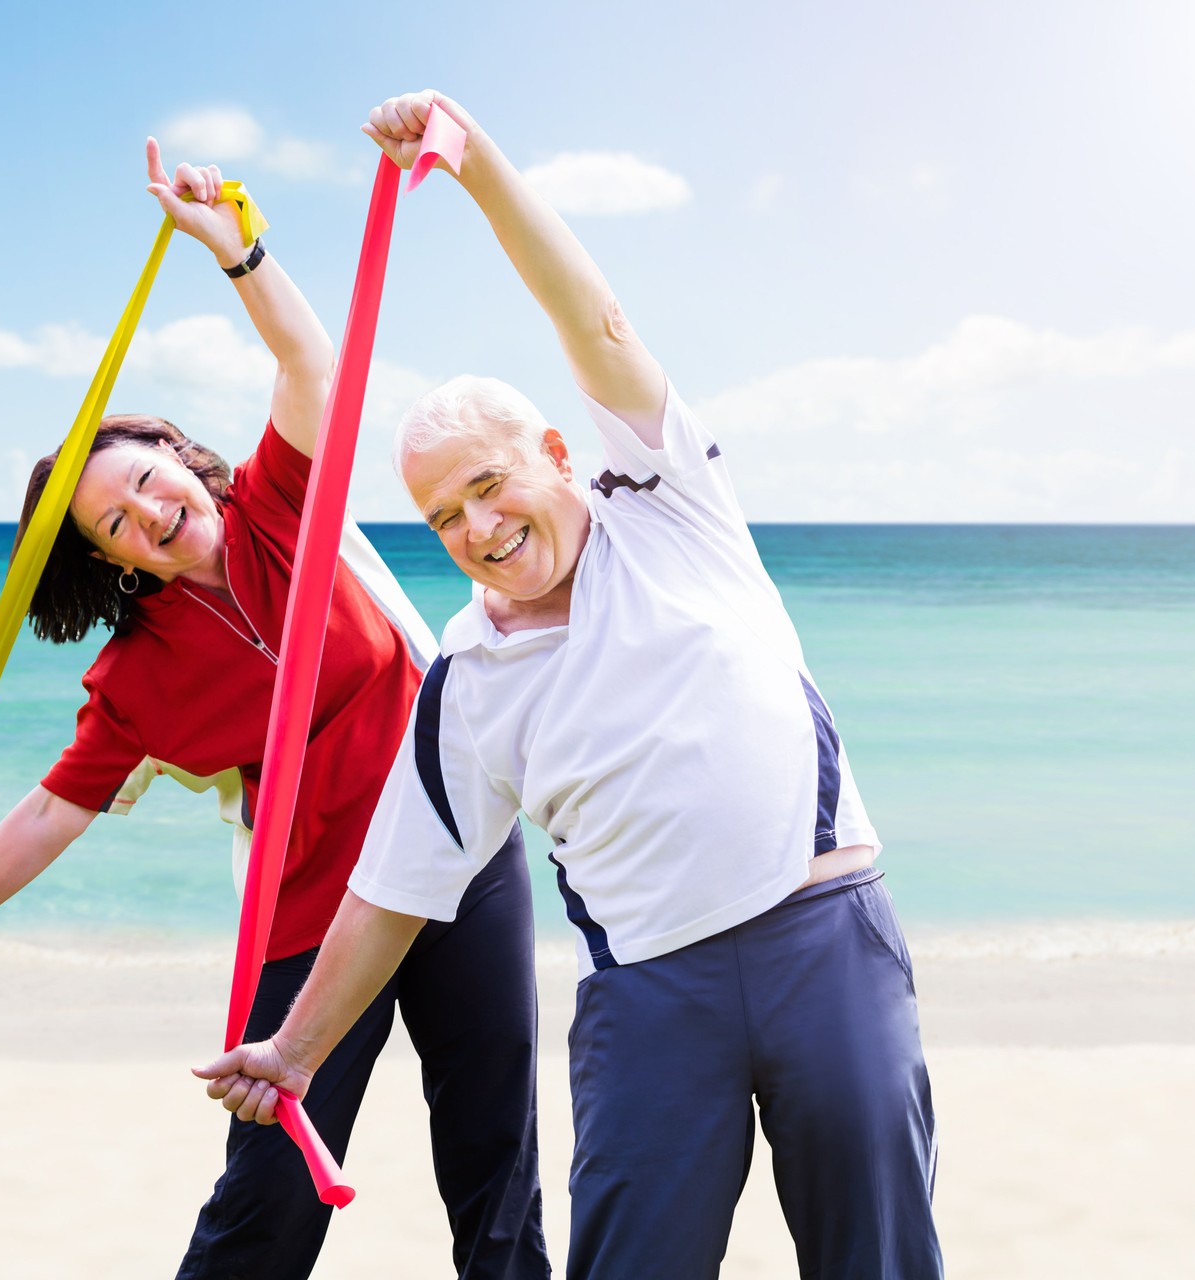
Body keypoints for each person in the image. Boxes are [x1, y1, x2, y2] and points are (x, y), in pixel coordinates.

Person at [197, 91, 943, 1279]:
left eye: (491, 484)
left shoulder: (665, 501)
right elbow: (393, 890)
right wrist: (293, 1050)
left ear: (557, 453)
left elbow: (589, 317)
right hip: (649, 994)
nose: (480, 526)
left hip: (823, 940)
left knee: (879, 1256)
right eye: (444, 516)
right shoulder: (468, 678)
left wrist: (475, 160)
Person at [0, 139, 549, 1280]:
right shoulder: (136, 677)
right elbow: (47, 811)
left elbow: (309, 362)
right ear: (110, 561)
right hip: (315, 908)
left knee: (493, 1159)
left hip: (462, 853)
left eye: (141, 481)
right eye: (112, 526)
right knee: (268, 1188)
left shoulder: (283, 501)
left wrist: (239, 251)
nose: (144, 514)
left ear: (177, 457)